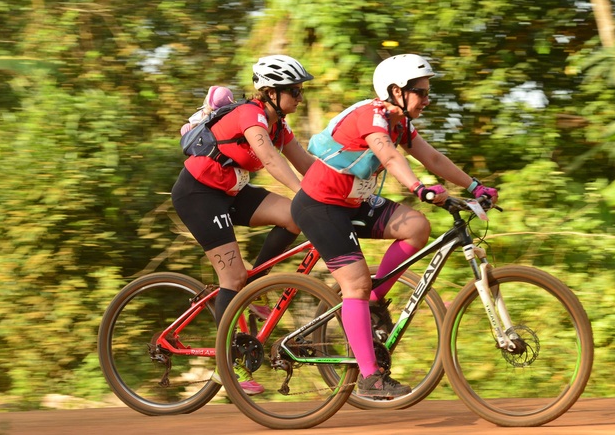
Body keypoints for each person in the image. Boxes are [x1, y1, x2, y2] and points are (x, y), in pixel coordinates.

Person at [290, 53, 498, 398]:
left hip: (354, 202)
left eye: (428, 92)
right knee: (355, 283)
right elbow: (388, 156)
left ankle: (371, 302)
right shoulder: (371, 116)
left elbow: (432, 157)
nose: (427, 99)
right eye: (421, 92)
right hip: (320, 206)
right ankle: (370, 378)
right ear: (396, 91)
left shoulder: (400, 123)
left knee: (416, 227)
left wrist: (474, 186)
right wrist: (419, 188)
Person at [171, 55, 316, 394]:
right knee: (232, 277)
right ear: (270, 93)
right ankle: (226, 367)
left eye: (300, 90)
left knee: (293, 216)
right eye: (294, 91)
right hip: (198, 195)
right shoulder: (250, 114)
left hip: (231, 191)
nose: (300, 97)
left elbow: (308, 164)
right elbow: (270, 160)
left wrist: (345, 187)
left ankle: (253, 287)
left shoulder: (278, 126)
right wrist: (305, 194)